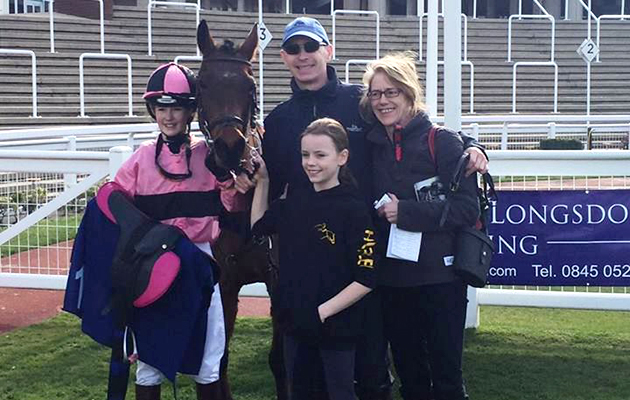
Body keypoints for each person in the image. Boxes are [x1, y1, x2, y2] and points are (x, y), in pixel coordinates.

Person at [234, 16, 488, 400]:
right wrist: (246, 180)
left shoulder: (360, 103)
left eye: (310, 47)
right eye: (293, 49)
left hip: (370, 257)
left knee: (375, 369)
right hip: (315, 263)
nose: (303, 56)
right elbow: (263, 175)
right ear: (284, 57)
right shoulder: (280, 119)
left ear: (327, 51)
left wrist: (473, 145)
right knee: (315, 371)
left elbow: (416, 124)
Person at [113, 62, 245, 400]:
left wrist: (233, 177)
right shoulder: (140, 160)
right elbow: (113, 204)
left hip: (200, 263)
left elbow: (232, 206)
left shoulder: (209, 157)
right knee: (149, 358)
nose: (169, 117)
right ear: (153, 111)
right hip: (152, 267)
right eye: (162, 108)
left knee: (209, 351)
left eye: (177, 108)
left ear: (190, 112)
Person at [361, 52, 479, 400]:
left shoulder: (441, 140)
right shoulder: (370, 145)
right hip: (393, 280)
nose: (383, 101)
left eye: (392, 92)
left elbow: (466, 207)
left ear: (410, 93)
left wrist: (407, 213)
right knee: (411, 378)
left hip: (441, 281)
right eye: (376, 93)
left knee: (445, 379)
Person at [250, 118, 378, 400]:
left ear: (342, 157)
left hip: (337, 327)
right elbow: (259, 227)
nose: (311, 162)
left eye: (320, 155)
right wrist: (264, 182)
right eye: (305, 155)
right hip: (294, 323)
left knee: (339, 393)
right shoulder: (293, 202)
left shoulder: (354, 209)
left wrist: (321, 312)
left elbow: (366, 278)